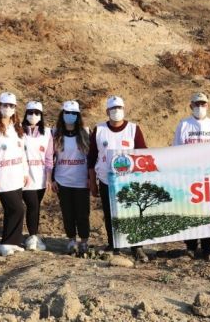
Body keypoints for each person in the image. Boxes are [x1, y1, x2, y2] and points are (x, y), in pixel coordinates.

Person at [88, 95, 150, 263]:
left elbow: (143, 154)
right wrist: (92, 182)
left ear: (124, 109)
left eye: (119, 108)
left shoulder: (133, 129)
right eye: (113, 109)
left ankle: (137, 247)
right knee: (110, 214)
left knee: (133, 213)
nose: (116, 111)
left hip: (129, 181)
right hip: (106, 180)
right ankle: (114, 244)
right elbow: (92, 157)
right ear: (107, 111)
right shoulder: (99, 130)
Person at [173, 92, 210, 261]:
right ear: (191, 106)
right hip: (189, 176)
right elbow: (176, 150)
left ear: (208, 106)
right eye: (197, 104)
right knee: (191, 211)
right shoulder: (183, 125)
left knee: (208, 212)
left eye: (203, 104)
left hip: (209, 176)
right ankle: (191, 247)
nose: (200, 107)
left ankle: (208, 247)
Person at [0, 92, 31, 256]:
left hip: (17, 175)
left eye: (11, 106)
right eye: (5, 105)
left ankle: (14, 242)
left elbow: (22, 153)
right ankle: (5, 243)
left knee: (13, 210)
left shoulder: (17, 128)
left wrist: (25, 172)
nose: (8, 108)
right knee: (17, 209)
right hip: (1, 177)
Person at [50, 100, 91, 256]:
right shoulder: (55, 134)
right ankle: (71, 240)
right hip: (63, 180)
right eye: (67, 113)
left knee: (82, 213)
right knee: (68, 213)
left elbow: (91, 158)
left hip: (81, 181)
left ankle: (84, 241)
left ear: (78, 115)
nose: (70, 116)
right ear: (62, 114)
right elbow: (50, 158)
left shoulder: (85, 133)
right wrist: (52, 179)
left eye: (74, 113)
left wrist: (90, 178)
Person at [21, 101, 53, 251]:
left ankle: (33, 235)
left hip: (40, 177)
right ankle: (33, 237)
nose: (33, 115)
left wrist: (48, 178)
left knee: (36, 206)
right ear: (25, 114)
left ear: (41, 116)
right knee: (32, 205)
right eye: (30, 112)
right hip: (25, 176)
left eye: (37, 113)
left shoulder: (47, 133)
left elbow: (49, 158)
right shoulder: (19, 131)